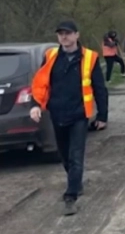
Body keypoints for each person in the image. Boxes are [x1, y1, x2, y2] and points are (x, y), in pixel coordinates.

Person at [30, 20, 108, 216]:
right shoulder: (51, 56)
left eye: (68, 33)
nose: (64, 37)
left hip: (79, 114)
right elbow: (40, 84)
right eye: (60, 34)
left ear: (76, 35)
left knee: (75, 155)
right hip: (57, 113)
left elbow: (100, 88)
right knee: (64, 155)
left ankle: (71, 195)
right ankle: (75, 181)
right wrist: (35, 105)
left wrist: (102, 115)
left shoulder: (90, 57)